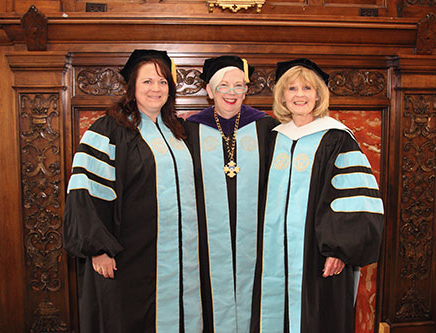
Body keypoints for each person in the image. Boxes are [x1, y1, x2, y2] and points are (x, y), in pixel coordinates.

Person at [63, 49, 202, 333]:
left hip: (179, 257)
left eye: (163, 82)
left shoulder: (179, 132)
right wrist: (98, 249)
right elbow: (86, 191)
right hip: (127, 256)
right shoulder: (108, 130)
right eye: (148, 82)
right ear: (132, 87)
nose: (156, 89)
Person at [251, 58, 384, 333]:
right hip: (272, 255)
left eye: (307, 88)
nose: (300, 95)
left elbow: (354, 199)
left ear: (318, 94)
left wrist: (339, 250)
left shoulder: (337, 138)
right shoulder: (271, 137)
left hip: (318, 254)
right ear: (282, 96)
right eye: (292, 88)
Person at [184, 55, 279, 332]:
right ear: (209, 91)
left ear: (246, 90)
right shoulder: (188, 130)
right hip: (206, 239)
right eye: (223, 85)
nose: (232, 93)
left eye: (239, 86)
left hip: (256, 236)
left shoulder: (267, 128)